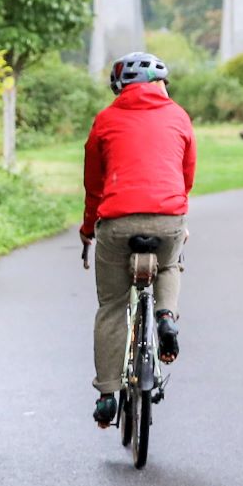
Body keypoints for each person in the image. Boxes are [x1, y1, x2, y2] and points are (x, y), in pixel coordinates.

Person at [82, 52, 198, 430]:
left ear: (121, 87)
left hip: (117, 223)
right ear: (158, 83)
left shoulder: (106, 119)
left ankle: (107, 396)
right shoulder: (179, 116)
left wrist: (88, 229)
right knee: (169, 264)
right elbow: (185, 175)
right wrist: (177, 216)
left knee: (112, 306)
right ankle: (165, 317)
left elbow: (93, 185)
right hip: (167, 220)